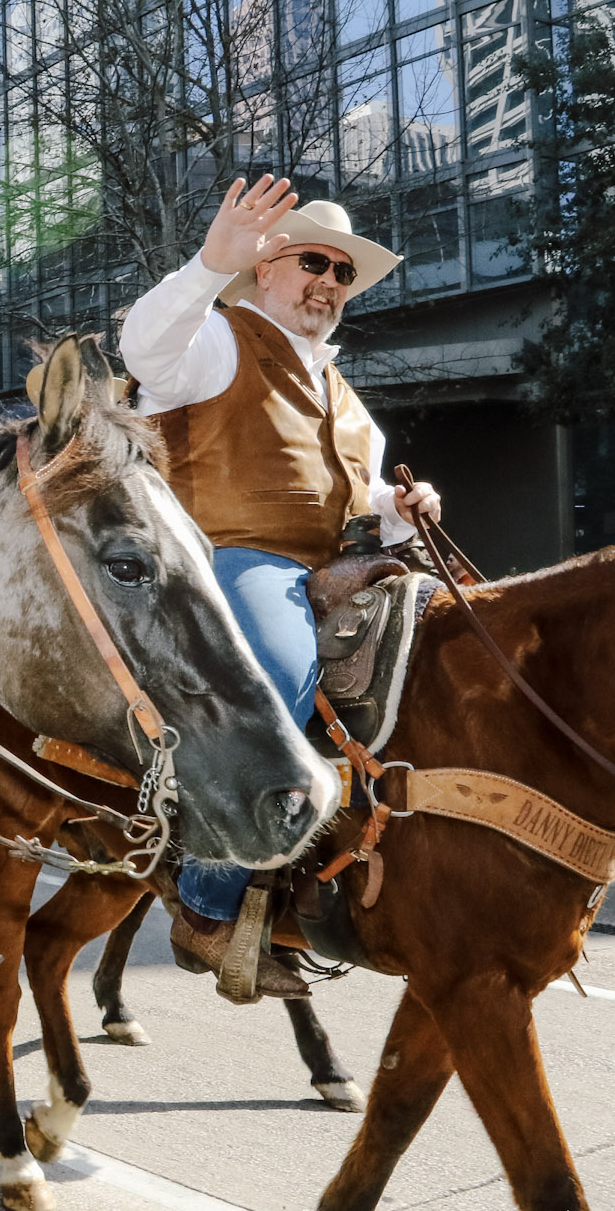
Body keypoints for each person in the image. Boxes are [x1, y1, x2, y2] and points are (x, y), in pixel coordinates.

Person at [119, 176, 443, 1000]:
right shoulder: (218, 339)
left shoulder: (346, 396)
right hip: (226, 557)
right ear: (265, 268)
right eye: (314, 263)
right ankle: (206, 902)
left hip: (332, 567)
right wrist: (208, 263)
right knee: (282, 667)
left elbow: (359, 494)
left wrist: (402, 507)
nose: (330, 281)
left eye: (343, 273)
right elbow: (143, 351)